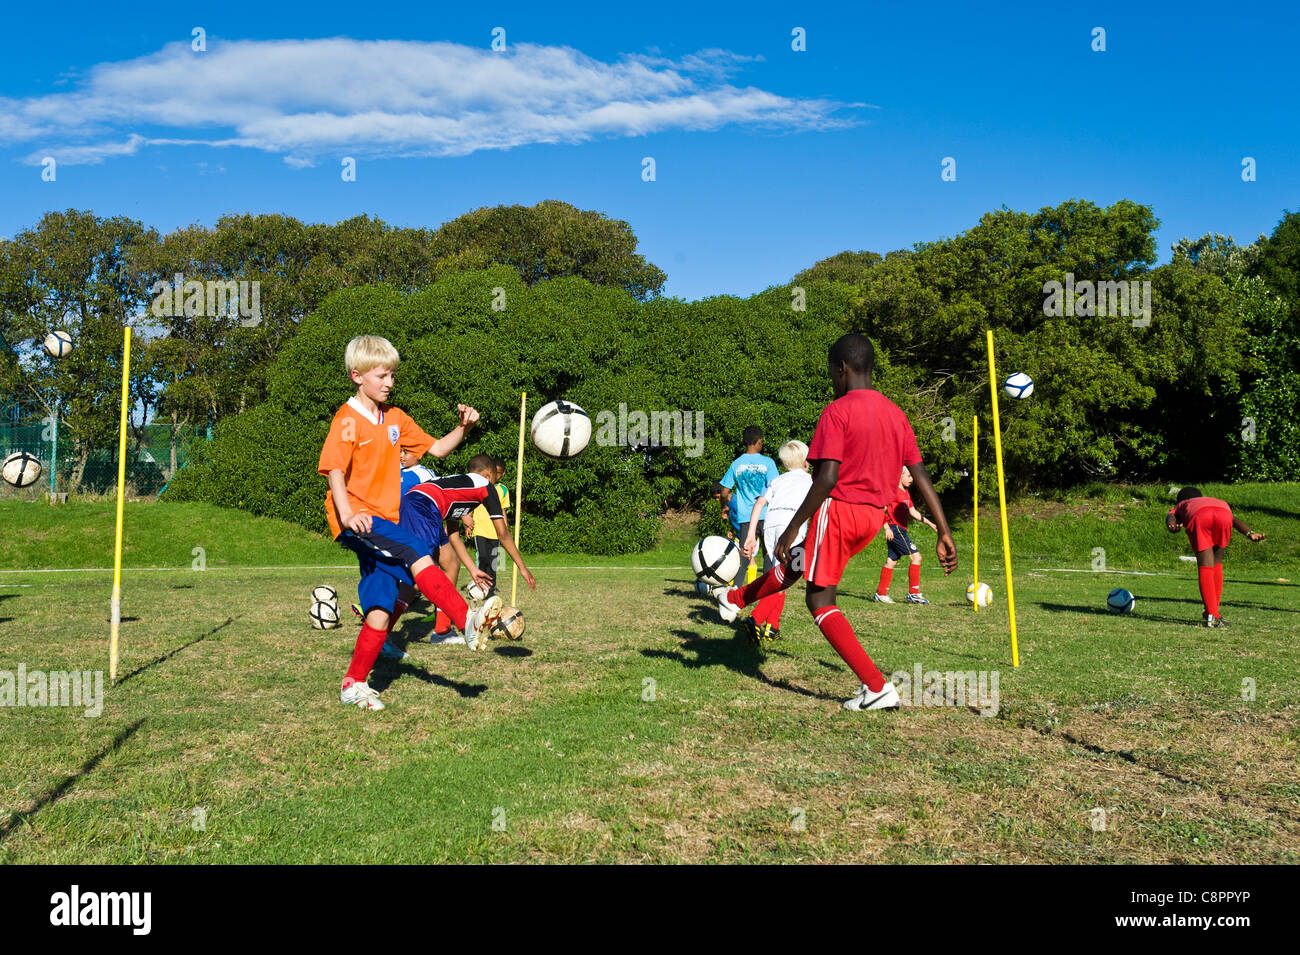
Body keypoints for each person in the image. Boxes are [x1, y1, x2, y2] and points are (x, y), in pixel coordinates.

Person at [716, 333, 957, 711]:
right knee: (798, 561)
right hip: (872, 519)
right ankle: (735, 599)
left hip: (841, 510)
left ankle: (876, 686)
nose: (832, 377)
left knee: (818, 597)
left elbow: (826, 477)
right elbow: (921, 475)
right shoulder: (896, 414)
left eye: (832, 370)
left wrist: (796, 522)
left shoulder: (837, 410)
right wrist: (943, 530)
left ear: (841, 368)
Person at [318, 335, 501, 711]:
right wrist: (348, 514)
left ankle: (353, 684)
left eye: (392, 376)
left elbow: (435, 448)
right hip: (358, 520)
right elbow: (335, 470)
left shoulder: (396, 419)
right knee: (418, 549)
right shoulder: (347, 420)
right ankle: (466, 619)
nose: (390, 383)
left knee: (382, 608)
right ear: (357, 376)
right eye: (382, 376)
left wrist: (464, 428)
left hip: (383, 522)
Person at [739, 440, 812, 646]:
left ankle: (772, 627)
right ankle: (755, 619)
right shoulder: (811, 480)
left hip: (771, 524)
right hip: (792, 526)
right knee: (786, 577)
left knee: (778, 577)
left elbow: (760, 503)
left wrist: (751, 534)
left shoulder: (777, 480)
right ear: (806, 460)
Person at [1166, 486, 1265, 627]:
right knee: (1216, 562)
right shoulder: (1211, 500)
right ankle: (1213, 613)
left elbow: (1171, 516)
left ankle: (1212, 615)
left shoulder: (1182, 504)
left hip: (1201, 517)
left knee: (1206, 564)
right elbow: (1233, 519)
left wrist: (1171, 526)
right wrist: (1250, 533)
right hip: (1224, 515)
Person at [718, 427, 779, 585]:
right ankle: (766, 593)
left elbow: (724, 492)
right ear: (760, 442)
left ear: (743, 442)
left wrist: (724, 506)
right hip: (767, 516)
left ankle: (735, 590)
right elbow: (776, 488)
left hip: (746, 518)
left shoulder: (736, 464)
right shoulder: (768, 463)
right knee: (768, 554)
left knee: (744, 555)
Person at [874, 466, 939, 605]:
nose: (911, 479)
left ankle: (881, 593)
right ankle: (913, 593)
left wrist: (931, 523)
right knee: (916, 557)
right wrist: (886, 528)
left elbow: (913, 512)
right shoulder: (892, 492)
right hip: (895, 529)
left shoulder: (906, 493)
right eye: (908, 476)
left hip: (900, 530)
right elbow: (881, 510)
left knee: (891, 561)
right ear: (900, 476)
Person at [469, 456, 512, 598]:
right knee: (482, 558)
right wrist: (468, 522)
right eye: (495, 472)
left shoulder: (503, 490)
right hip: (480, 529)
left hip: (495, 531)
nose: (497, 475)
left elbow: (502, 510)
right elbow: (471, 504)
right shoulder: (480, 486)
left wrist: (505, 528)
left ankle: (491, 590)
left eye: (499, 473)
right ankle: (480, 587)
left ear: (503, 474)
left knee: (493, 562)